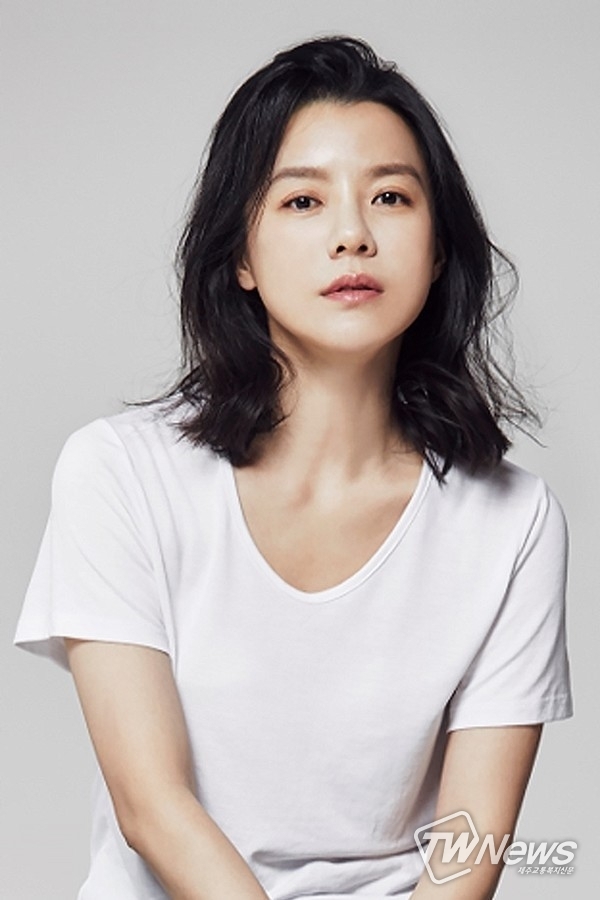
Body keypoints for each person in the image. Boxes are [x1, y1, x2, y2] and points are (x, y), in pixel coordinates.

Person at [15, 35, 572, 900]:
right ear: (240, 255)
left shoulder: (512, 521)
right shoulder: (119, 474)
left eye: (391, 197)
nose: (352, 235)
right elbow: (152, 808)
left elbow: (467, 852)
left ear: (438, 249)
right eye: (303, 200)